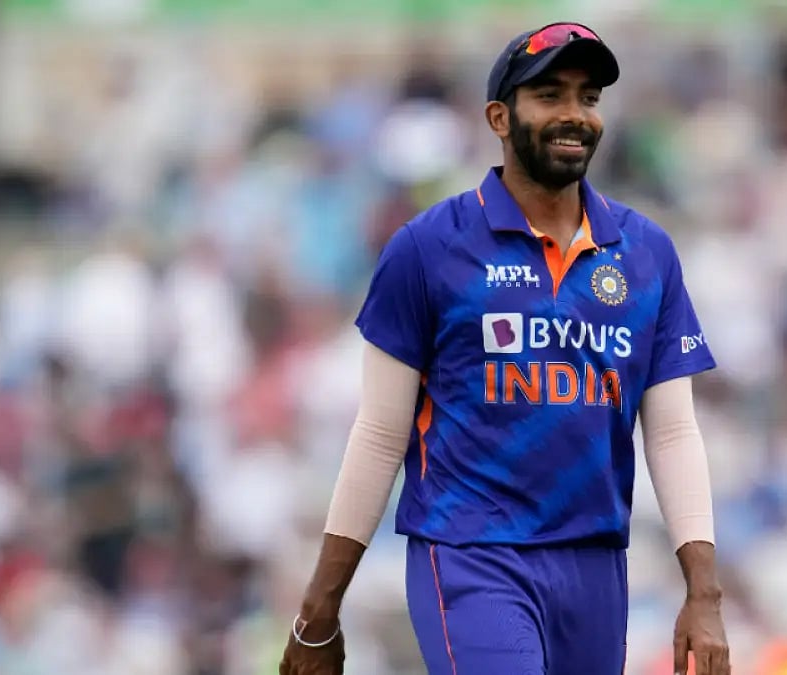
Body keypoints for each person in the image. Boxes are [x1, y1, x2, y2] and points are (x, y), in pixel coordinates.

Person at [279, 21, 731, 675]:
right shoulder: (428, 248)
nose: (574, 115)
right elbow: (380, 435)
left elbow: (672, 435)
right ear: (499, 115)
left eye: (588, 97)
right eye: (549, 94)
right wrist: (320, 606)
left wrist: (704, 590)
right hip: (470, 552)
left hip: (596, 564)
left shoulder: (647, 253)